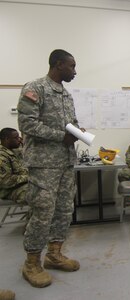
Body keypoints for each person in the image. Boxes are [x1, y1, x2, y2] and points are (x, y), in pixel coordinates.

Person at [17, 49, 82, 288]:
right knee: (43, 212)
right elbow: (26, 123)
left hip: (65, 161)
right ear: (58, 64)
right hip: (43, 164)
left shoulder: (66, 94)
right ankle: (32, 262)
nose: (75, 71)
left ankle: (54, 254)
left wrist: (78, 132)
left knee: (64, 210)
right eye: (71, 66)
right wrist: (60, 136)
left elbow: (70, 125)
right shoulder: (35, 88)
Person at [0, 128, 28, 204]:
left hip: (22, 185)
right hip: (9, 190)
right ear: (7, 139)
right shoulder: (2, 156)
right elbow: (6, 181)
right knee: (41, 194)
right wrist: (29, 178)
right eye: (16, 138)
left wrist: (25, 146)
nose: (19, 140)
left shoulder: (14, 151)